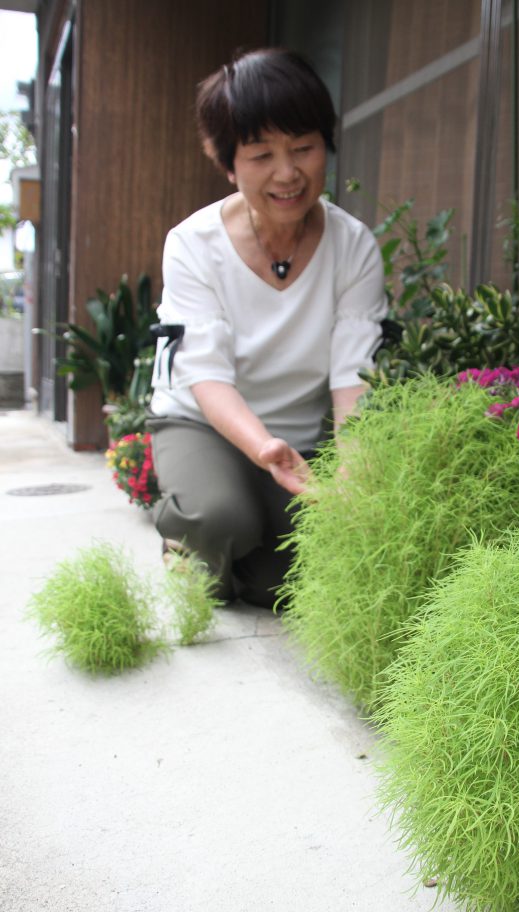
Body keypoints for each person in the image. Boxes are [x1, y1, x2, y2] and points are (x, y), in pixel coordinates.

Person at [148, 48, 387, 607]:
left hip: (299, 437)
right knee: (220, 518)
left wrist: (349, 467)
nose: (288, 173)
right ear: (227, 162)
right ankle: (193, 537)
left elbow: (355, 374)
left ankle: (244, 551)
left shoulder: (354, 247)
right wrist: (263, 449)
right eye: (262, 155)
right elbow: (204, 375)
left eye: (303, 148)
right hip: (203, 423)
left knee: (297, 575)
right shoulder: (192, 245)